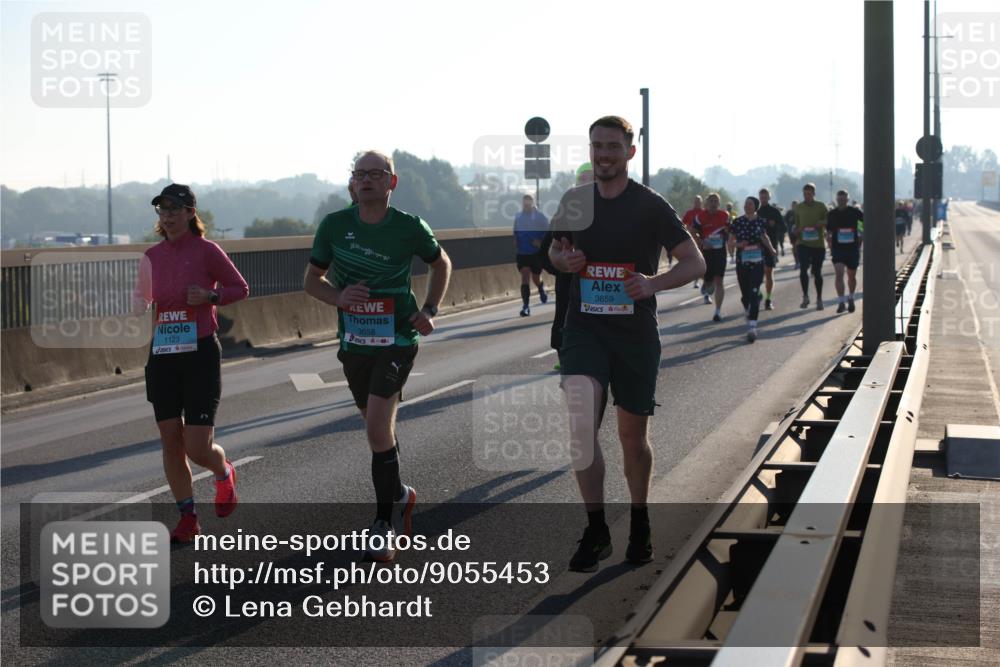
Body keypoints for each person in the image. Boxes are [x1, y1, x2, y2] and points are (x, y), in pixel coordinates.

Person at [548, 116, 704, 572]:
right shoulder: (576, 201)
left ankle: (639, 520)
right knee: (581, 429)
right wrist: (565, 259)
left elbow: (693, 263)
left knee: (632, 438)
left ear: (630, 152)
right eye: (597, 146)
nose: (604, 154)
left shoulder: (650, 206)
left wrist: (652, 284)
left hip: (634, 333)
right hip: (584, 329)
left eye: (613, 146)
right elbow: (554, 253)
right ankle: (596, 530)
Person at [304, 150, 452, 562]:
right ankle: (402, 494)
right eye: (359, 174)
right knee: (378, 432)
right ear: (352, 182)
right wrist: (339, 297)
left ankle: (382, 525)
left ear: (392, 181)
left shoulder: (408, 227)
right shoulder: (335, 226)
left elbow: (441, 264)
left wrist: (429, 309)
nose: (366, 180)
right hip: (354, 344)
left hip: (398, 338)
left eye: (375, 173)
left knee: (374, 427)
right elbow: (311, 280)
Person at [133, 184, 249, 543]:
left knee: (197, 447)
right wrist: (137, 303)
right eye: (162, 210)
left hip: (199, 353)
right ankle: (188, 517)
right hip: (164, 354)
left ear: (189, 213)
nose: (167, 216)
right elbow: (142, 295)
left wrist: (211, 296)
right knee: (170, 440)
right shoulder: (151, 256)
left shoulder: (207, 251)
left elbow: (240, 287)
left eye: (174, 209)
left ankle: (222, 470)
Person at [540, 163, 594, 370]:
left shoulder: (613, 213)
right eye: (582, 179)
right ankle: (565, 359)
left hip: (599, 284)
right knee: (563, 320)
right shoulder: (564, 214)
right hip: (569, 283)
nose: (587, 183)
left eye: (591, 178)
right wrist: (562, 266)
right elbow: (545, 252)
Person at [728, 196, 777, 342]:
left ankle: (753, 327)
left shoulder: (760, 221)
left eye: (750, 204)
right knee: (745, 294)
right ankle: (747, 309)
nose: (747, 206)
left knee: (754, 292)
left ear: (755, 206)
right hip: (742, 262)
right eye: (745, 204)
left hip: (757, 261)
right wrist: (739, 245)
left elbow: (764, 237)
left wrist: (772, 249)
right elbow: (730, 242)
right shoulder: (737, 222)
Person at [693, 193, 731, 321]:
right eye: (711, 201)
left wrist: (731, 247)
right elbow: (693, 232)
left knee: (719, 280)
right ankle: (706, 282)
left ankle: (718, 311)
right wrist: (702, 242)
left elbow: (730, 232)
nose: (713, 203)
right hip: (706, 253)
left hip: (720, 252)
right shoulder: (700, 216)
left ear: (719, 204)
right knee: (708, 280)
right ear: (707, 203)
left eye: (716, 201)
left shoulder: (724, 216)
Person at [827, 189, 864, 313]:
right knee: (839, 274)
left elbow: (862, 228)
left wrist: (860, 239)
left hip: (852, 248)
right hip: (838, 248)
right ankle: (841, 301)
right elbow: (829, 231)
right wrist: (829, 243)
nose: (841, 201)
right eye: (839, 200)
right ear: (837, 200)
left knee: (851, 276)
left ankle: (851, 297)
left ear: (847, 200)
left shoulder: (856, 213)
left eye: (844, 199)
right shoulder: (832, 214)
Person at [792, 183, 828, 310]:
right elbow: (796, 226)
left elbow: (828, 221)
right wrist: (797, 232)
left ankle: (819, 298)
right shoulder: (799, 207)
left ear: (813, 194)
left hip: (818, 244)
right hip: (804, 244)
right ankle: (805, 296)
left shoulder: (821, 206)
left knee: (817, 272)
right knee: (803, 270)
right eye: (805, 194)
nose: (807, 196)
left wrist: (821, 223)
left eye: (809, 194)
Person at [513, 194, 549, 317]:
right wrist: (516, 240)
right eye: (524, 204)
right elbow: (515, 231)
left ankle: (540, 288)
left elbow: (549, 233)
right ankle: (526, 306)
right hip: (522, 253)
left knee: (535, 277)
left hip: (536, 253)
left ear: (533, 203)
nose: (526, 206)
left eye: (528, 204)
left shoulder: (540, 217)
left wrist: (541, 243)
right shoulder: (518, 217)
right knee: (525, 275)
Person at [757, 188, 784, 310]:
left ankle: (768, 299)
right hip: (756, 246)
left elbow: (784, 228)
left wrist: (775, 225)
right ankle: (758, 293)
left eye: (765, 197)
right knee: (757, 273)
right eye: (761, 197)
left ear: (769, 197)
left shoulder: (774, 212)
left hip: (771, 245)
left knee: (768, 272)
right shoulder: (756, 212)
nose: (763, 199)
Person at [681, 195, 704, 289]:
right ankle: (695, 279)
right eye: (695, 201)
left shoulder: (703, 213)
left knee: (701, 259)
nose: (697, 203)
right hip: (691, 239)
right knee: (694, 259)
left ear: (701, 202)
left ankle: (699, 279)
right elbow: (682, 224)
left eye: (699, 201)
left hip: (702, 240)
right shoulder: (689, 213)